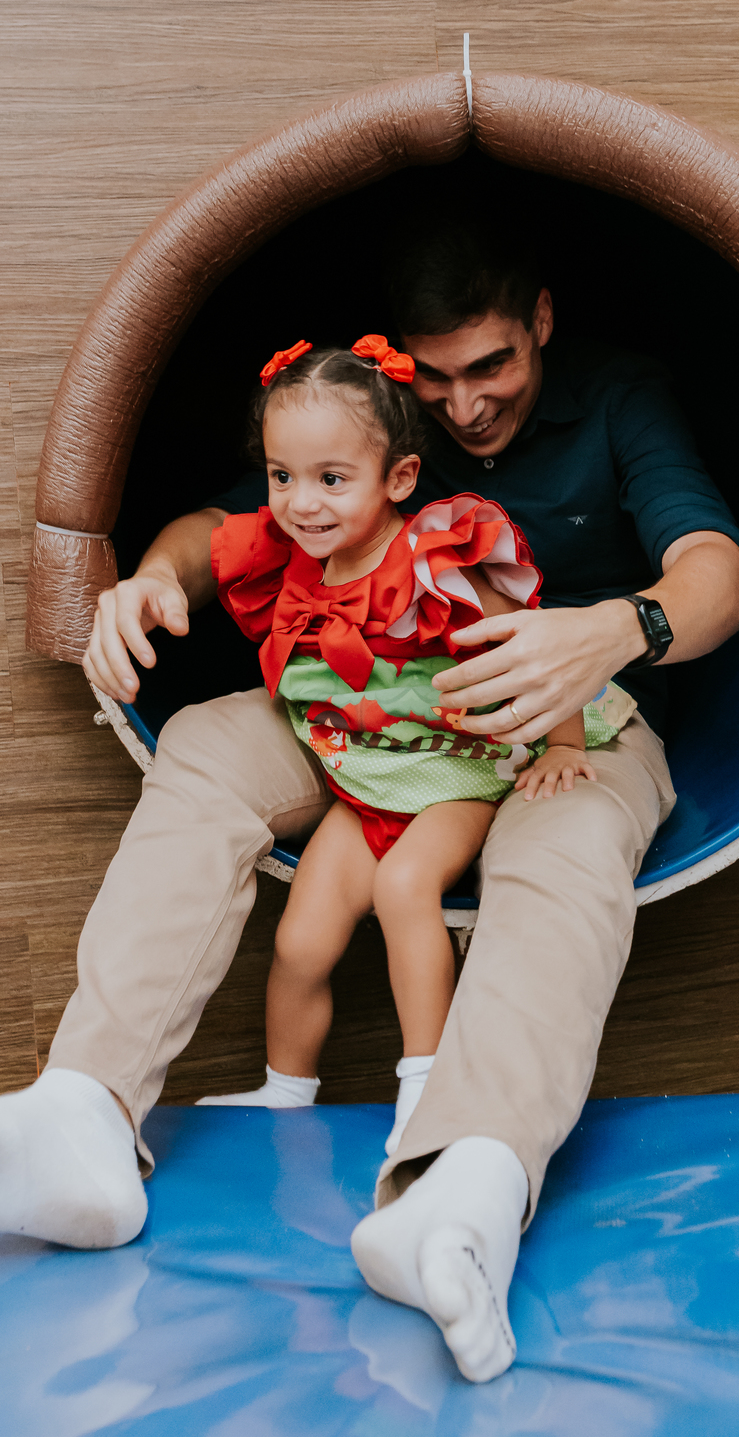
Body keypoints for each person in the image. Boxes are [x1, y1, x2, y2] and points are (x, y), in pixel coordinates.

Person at [0, 215, 739, 1386]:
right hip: (375, 700)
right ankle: (84, 1115)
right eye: (438, 377)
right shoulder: (381, 416)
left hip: (562, 717)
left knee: (561, 849)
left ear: (542, 324)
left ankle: (463, 1183)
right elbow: (224, 526)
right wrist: (153, 580)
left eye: (493, 367)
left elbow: (727, 578)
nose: (465, 407)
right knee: (209, 741)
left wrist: (614, 632)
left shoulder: (619, 398)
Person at [195, 335, 633, 1155]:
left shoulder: (431, 557)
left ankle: (428, 1089)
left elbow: (529, 642)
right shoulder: (295, 556)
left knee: (404, 888)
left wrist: (565, 742)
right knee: (300, 939)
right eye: (282, 476)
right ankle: (284, 1092)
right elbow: (212, 540)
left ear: (398, 478)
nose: (303, 503)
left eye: (331, 480)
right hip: (370, 777)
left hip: (459, 765)